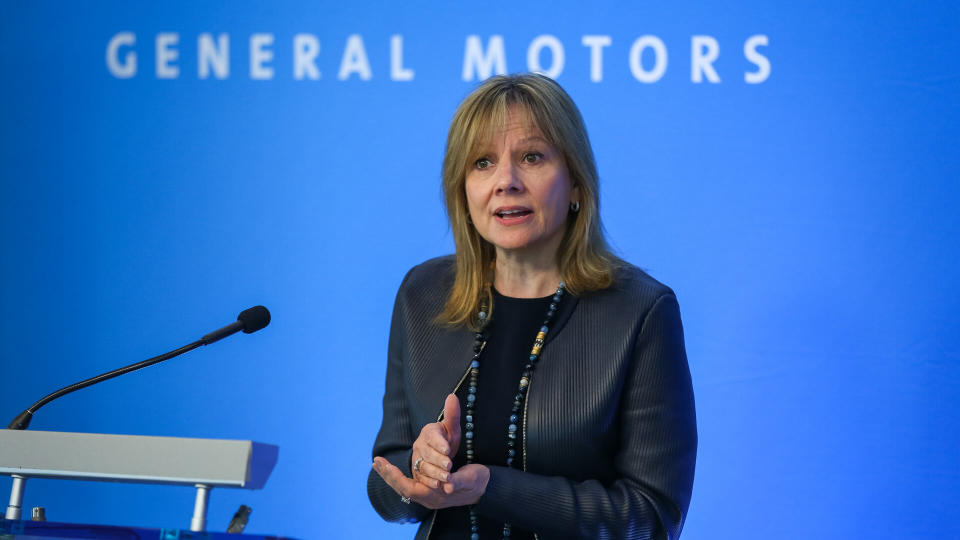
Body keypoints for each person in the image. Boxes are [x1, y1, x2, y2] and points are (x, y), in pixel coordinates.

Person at [368, 73, 697, 540]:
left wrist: (490, 486)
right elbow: (383, 486)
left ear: (577, 183)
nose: (506, 182)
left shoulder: (641, 311)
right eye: (482, 162)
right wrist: (418, 468)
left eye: (532, 157)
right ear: (462, 192)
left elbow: (651, 518)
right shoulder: (423, 294)